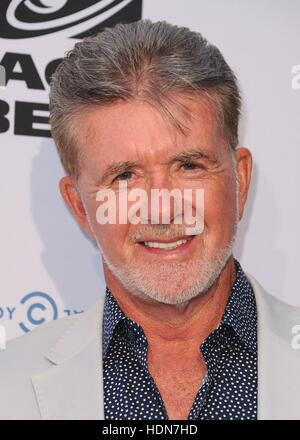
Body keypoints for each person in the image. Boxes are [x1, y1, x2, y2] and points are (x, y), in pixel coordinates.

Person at [1, 19, 300, 421]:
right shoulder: (8, 383)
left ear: (240, 181)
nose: (161, 209)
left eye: (189, 165)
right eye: (125, 176)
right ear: (79, 208)